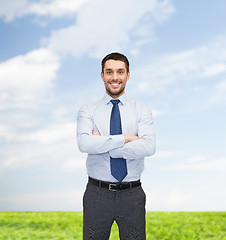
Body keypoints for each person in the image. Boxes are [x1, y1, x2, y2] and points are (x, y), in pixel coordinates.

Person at [77, 52, 156, 240]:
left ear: (128, 75)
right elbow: (84, 144)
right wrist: (127, 138)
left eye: (120, 72)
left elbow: (149, 147)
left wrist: (105, 144)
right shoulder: (87, 109)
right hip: (97, 194)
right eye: (109, 72)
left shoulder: (141, 110)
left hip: (132, 195)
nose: (115, 77)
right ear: (102, 75)